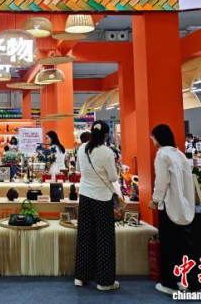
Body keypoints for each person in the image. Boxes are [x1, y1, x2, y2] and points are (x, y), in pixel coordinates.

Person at [149, 124, 201, 295]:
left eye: (153, 137)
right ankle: (193, 283)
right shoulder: (179, 154)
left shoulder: (162, 155)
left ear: (158, 137)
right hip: (185, 205)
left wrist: (155, 200)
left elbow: (161, 181)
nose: (152, 141)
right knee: (187, 246)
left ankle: (170, 283)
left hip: (169, 205)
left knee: (169, 246)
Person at [74, 121, 119, 291]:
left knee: (84, 237)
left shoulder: (82, 148)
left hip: (85, 196)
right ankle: (104, 282)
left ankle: (81, 276)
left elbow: (78, 169)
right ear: (106, 135)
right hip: (102, 198)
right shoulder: (107, 152)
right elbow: (113, 177)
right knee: (104, 240)